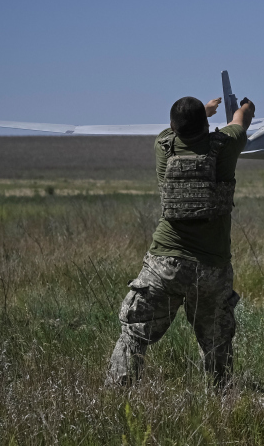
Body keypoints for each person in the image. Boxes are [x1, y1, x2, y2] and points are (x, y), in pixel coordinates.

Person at [106, 95, 255, 387]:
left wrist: (204, 112)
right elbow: (241, 121)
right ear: (206, 123)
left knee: (134, 333)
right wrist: (245, 108)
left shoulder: (164, 144)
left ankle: (116, 397)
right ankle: (221, 402)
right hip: (211, 266)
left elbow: (178, 126)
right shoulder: (226, 144)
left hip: (164, 264)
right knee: (217, 340)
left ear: (173, 125)